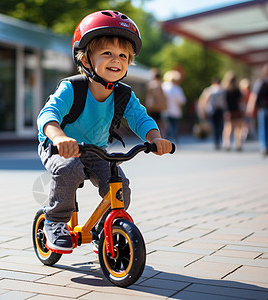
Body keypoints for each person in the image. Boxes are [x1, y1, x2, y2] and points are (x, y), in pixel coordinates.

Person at [36, 10, 173, 252]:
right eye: (107, 53)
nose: (116, 59)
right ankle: (55, 221)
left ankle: (103, 231)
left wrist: (156, 138)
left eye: (123, 55)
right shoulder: (72, 88)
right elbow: (48, 115)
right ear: (86, 60)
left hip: (96, 150)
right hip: (59, 147)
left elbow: (142, 119)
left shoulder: (124, 95)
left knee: (120, 185)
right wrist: (60, 138)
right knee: (69, 169)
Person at [197, 77, 225, 149]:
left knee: (214, 126)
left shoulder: (209, 90)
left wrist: (202, 110)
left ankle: (216, 142)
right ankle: (219, 140)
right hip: (220, 110)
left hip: (212, 110)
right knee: (220, 126)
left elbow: (203, 100)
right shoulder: (222, 90)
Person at [221, 71, 244, 151]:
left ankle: (232, 143)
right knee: (232, 127)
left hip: (232, 110)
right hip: (232, 110)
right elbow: (241, 100)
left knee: (232, 127)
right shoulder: (228, 90)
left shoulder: (227, 90)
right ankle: (232, 143)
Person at [162, 70, 186, 143]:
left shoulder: (163, 86)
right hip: (175, 111)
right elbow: (182, 100)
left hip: (165, 111)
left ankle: (166, 141)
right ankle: (174, 142)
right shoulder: (177, 88)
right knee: (174, 128)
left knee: (167, 127)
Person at [145, 68, 167, 137]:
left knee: (152, 121)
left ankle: (154, 135)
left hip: (152, 106)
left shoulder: (151, 84)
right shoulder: (158, 84)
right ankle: (159, 136)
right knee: (159, 122)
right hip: (157, 106)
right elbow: (160, 96)